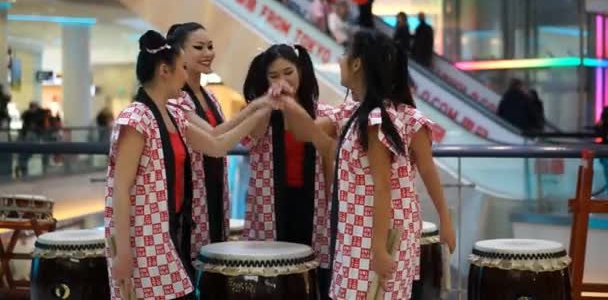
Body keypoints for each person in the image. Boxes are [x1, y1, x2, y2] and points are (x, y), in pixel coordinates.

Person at [281, 29, 456, 299]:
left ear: (357, 63)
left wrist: (379, 248)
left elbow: (387, 185)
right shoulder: (355, 111)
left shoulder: (379, 118)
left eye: (343, 54)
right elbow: (306, 132)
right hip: (358, 229)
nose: (339, 60)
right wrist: (288, 101)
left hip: (377, 233)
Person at [105, 30, 276, 300]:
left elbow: (217, 143)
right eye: (182, 68)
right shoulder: (135, 118)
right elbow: (120, 190)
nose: (186, 76)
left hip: (168, 230)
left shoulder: (173, 112)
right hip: (142, 235)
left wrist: (262, 106)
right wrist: (123, 251)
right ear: (164, 70)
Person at [167, 22, 280, 260]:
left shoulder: (209, 96)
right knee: (192, 259)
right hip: (191, 196)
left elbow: (220, 132)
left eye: (210, 46)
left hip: (215, 192)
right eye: (199, 47)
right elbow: (216, 138)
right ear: (179, 54)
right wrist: (260, 109)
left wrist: (258, 106)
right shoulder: (175, 99)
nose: (208, 53)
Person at [241, 44, 334, 299]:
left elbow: (328, 159)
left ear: (301, 71)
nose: (282, 81)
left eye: (288, 72)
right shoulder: (259, 111)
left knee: (310, 276)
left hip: (312, 204)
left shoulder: (323, 113)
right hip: (269, 204)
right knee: (271, 278)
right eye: (274, 76)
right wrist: (271, 103)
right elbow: (253, 136)